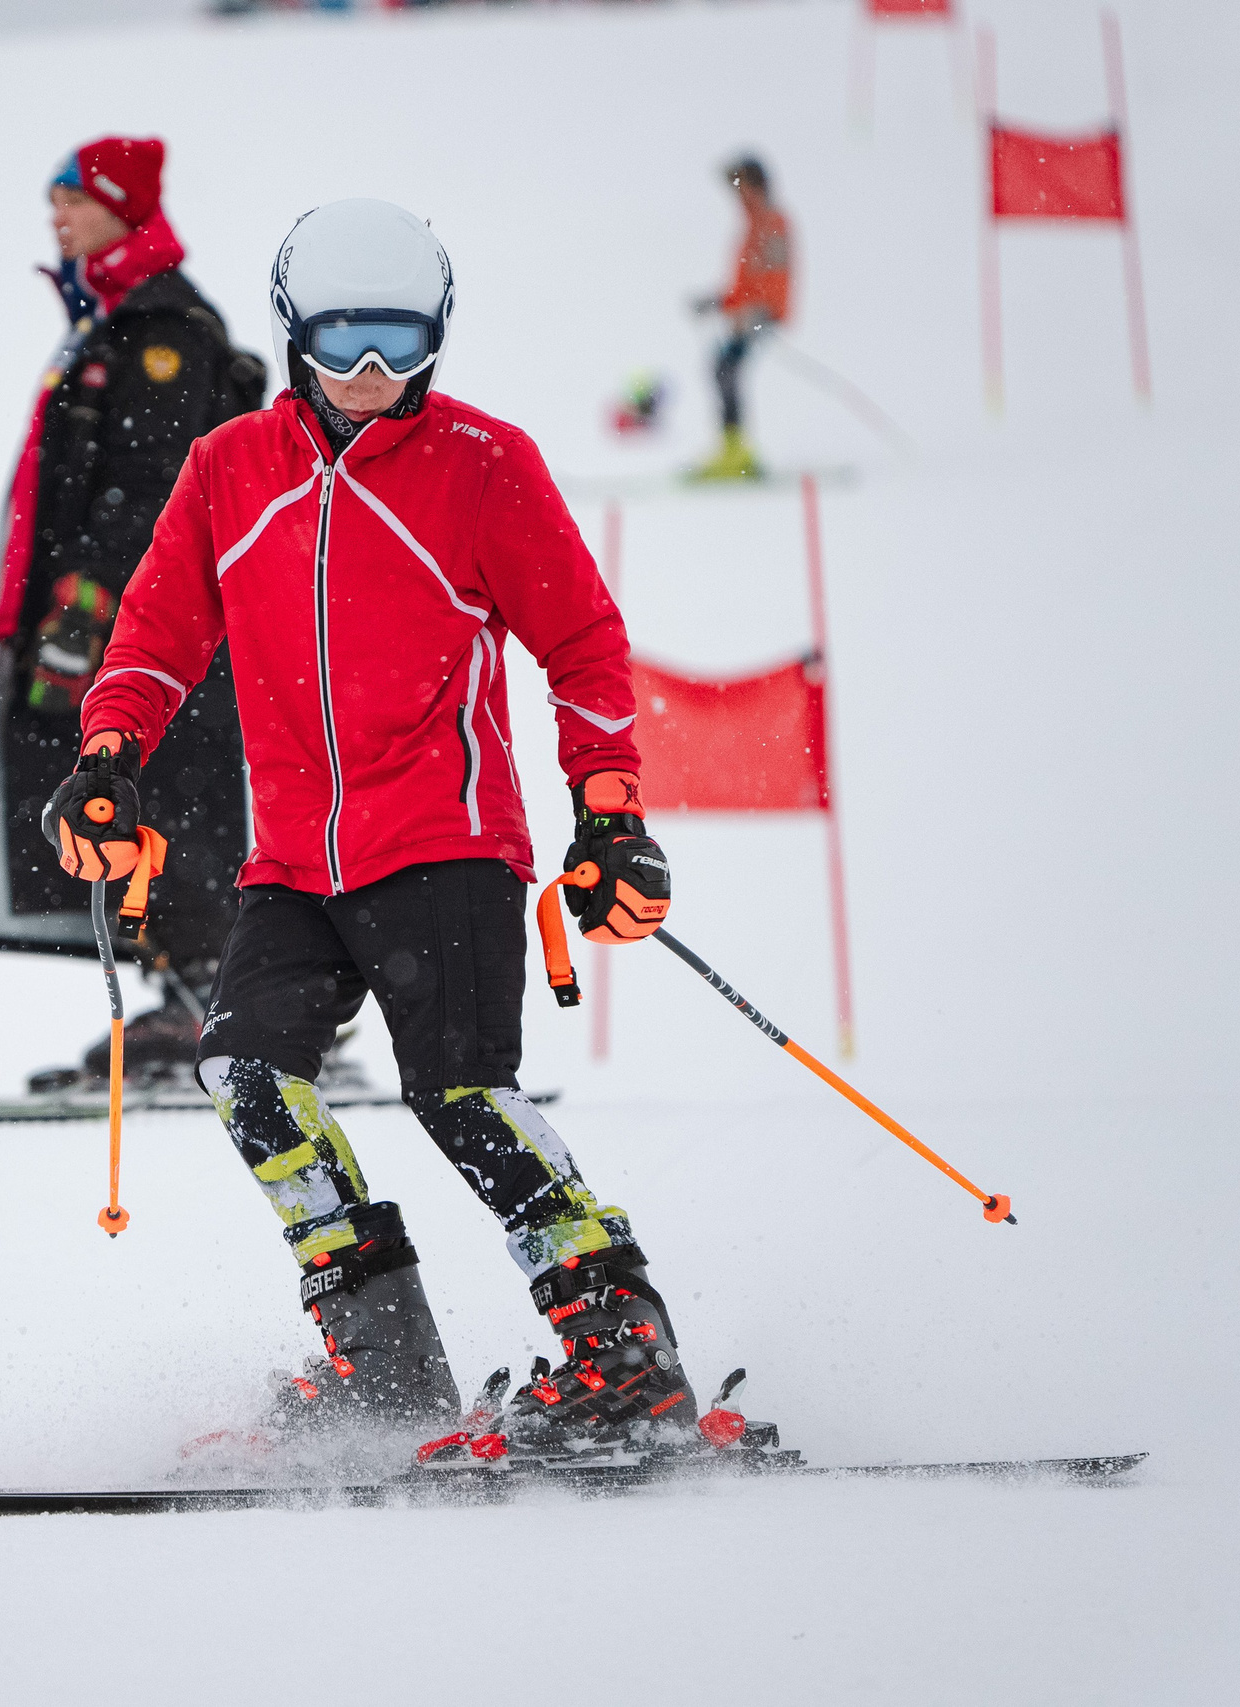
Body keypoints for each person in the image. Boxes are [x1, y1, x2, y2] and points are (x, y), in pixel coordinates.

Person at [42, 199, 696, 1453]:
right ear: (295, 334)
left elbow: (583, 646)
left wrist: (607, 812)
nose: (368, 377)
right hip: (292, 857)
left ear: (437, 336)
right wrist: (108, 755)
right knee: (246, 1078)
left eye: (397, 346)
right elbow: (155, 635)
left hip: (443, 842)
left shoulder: (483, 464)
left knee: (458, 1093)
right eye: (342, 346)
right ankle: (380, 1363)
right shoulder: (229, 468)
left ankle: (624, 1353)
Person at [0, 135, 263, 1086]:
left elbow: (152, 497)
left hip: (164, 626)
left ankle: (212, 1000)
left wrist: (84, 610)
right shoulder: (113, 318)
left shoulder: (164, 328)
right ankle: (190, 989)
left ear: (123, 205)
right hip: (124, 618)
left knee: (172, 786)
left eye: (72, 200)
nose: (58, 218)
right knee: (119, 787)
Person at [689, 155, 792, 482]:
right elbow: (746, 282)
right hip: (746, 314)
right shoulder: (755, 223)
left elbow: (774, 276)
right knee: (722, 371)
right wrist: (720, 301)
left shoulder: (771, 223)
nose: (738, 194)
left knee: (726, 371)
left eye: (741, 185)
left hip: (758, 316)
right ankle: (733, 450)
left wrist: (760, 309)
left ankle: (737, 454)